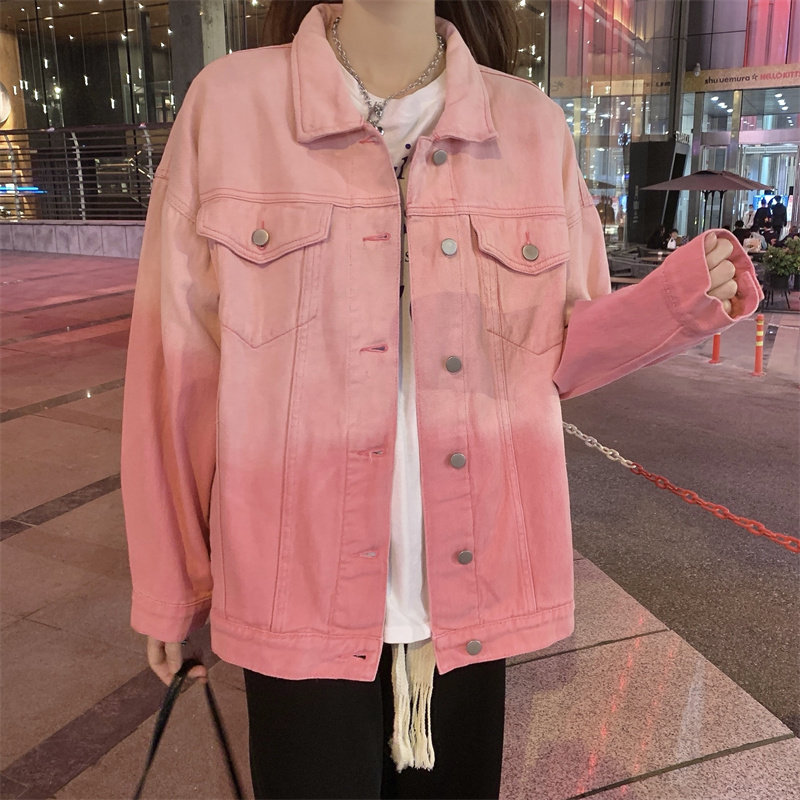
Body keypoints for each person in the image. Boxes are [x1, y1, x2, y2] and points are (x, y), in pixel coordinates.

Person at [119, 2, 761, 798]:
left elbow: (564, 354)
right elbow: (175, 372)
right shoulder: (230, 107)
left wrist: (677, 304)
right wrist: (175, 586)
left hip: (471, 594)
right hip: (293, 591)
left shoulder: (529, 126)